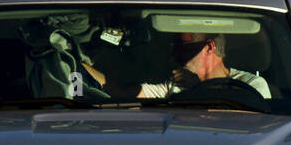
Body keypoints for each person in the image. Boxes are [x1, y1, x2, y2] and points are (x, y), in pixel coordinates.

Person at [83, 32, 270, 100]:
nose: (175, 55)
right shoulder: (176, 84)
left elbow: (247, 123)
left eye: (182, 48)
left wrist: (198, 88)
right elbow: (125, 92)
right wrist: (79, 65)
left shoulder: (252, 85)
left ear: (209, 47)